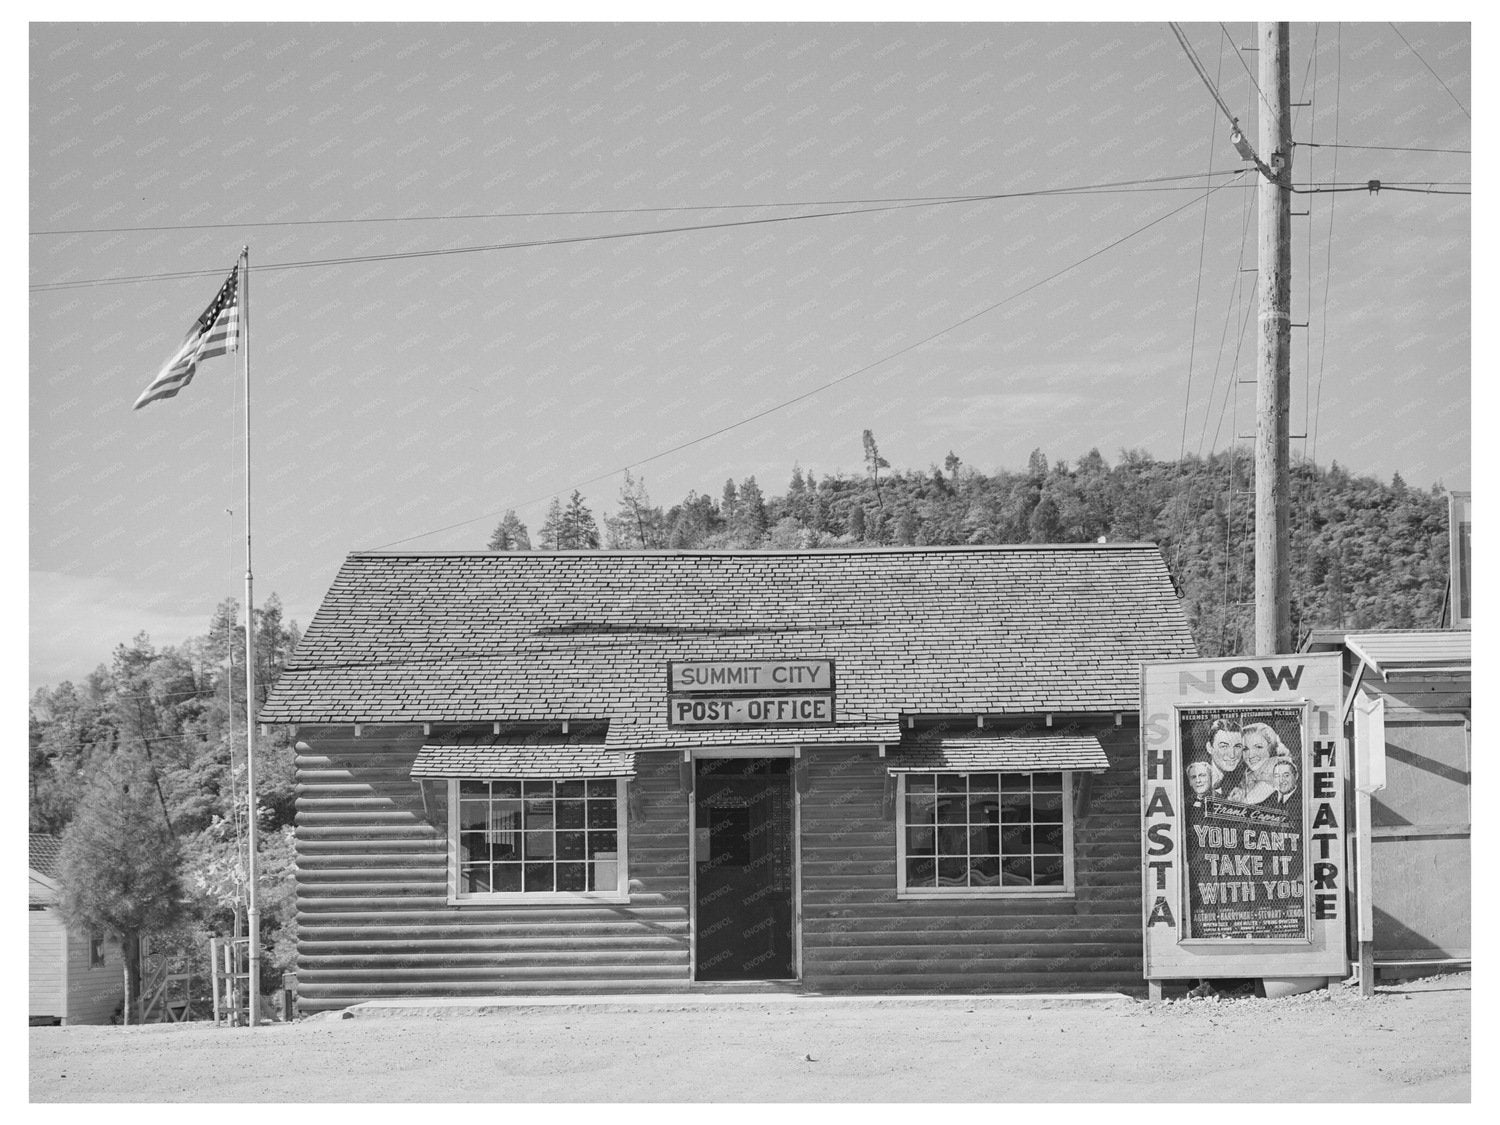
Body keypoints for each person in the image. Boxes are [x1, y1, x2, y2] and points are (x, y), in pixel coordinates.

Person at [1236, 722, 1287, 804]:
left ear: (1271, 748)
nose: (1250, 755)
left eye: (1258, 747)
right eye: (1245, 749)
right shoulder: (1246, 773)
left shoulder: (1276, 769)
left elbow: (1244, 803)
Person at [1204, 719, 1248, 802]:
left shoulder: (1238, 777)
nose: (1232, 755)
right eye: (1224, 746)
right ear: (1210, 748)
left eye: (1237, 746)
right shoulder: (1199, 775)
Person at [1259, 758, 1302, 830]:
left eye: (1286, 775)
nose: (1281, 780)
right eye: (1277, 776)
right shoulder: (1272, 797)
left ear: (1296, 776)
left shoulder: (1302, 800)